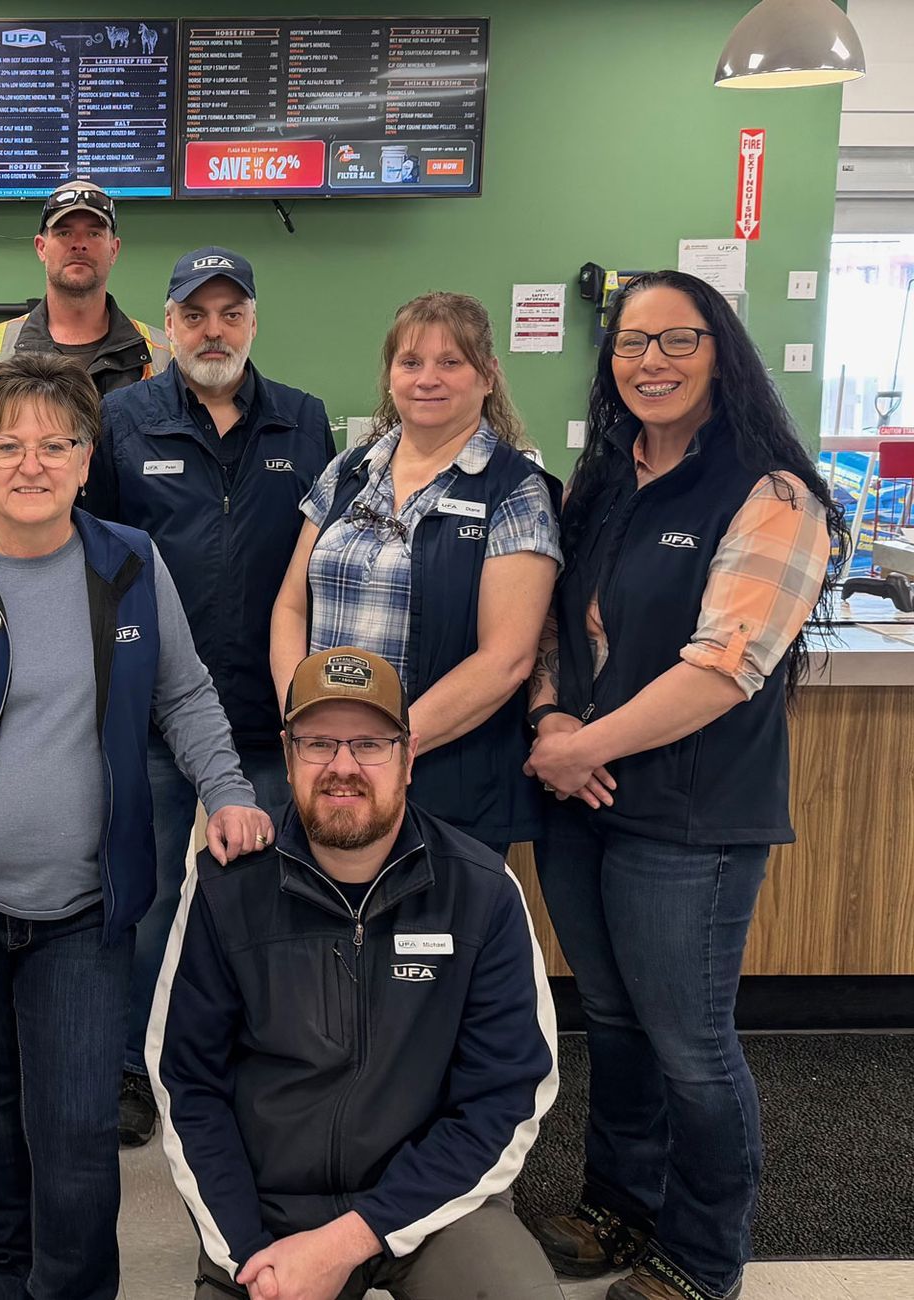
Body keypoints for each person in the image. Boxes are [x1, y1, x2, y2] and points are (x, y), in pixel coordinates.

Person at [0, 352, 274, 1299]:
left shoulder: (129, 563)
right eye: (8, 444)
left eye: (57, 444)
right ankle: (3, 1277)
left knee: (78, 1128)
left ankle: (73, 1288)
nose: (32, 463)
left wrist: (231, 790)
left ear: (88, 459)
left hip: (85, 912)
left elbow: (187, 693)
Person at [524, 270, 840, 1300]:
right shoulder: (602, 481)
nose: (650, 361)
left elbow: (724, 666)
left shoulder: (772, 493)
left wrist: (583, 745)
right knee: (611, 1019)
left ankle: (704, 1254)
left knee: (691, 1043)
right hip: (585, 804)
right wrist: (549, 717)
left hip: (691, 820)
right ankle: (619, 1203)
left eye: (678, 340)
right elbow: (558, 628)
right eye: (631, 344)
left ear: (723, 354)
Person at [151, 645, 561, 1300]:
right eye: (319, 743)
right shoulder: (227, 890)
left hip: (431, 1203)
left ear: (408, 753)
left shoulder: (480, 891)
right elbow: (187, 1087)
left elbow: (507, 1096)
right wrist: (253, 1258)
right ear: (287, 755)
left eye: (370, 743)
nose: (343, 767)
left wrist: (350, 1239)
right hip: (270, 1208)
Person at [90, 245, 335, 1148]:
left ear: (254, 323)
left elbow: (324, 572)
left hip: (274, 718)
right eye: (195, 314)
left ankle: (250, 1061)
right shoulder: (124, 418)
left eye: (231, 313)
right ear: (170, 324)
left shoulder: (305, 425)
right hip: (153, 716)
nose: (213, 330)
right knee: (143, 899)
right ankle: (127, 1064)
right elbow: (98, 562)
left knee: (264, 898)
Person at [270, 291, 562, 856]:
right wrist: (304, 724)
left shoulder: (515, 489)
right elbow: (291, 607)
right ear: (390, 377)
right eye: (411, 362)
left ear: (488, 377)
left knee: (433, 944)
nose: (428, 378)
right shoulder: (349, 470)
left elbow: (507, 659)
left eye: (451, 362)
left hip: (444, 784)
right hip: (328, 781)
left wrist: (387, 746)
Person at [0, 180, 170, 394]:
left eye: (94, 233)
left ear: (114, 250)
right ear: (41, 248)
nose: (79, 243)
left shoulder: (162, 353)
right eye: (64, 233)